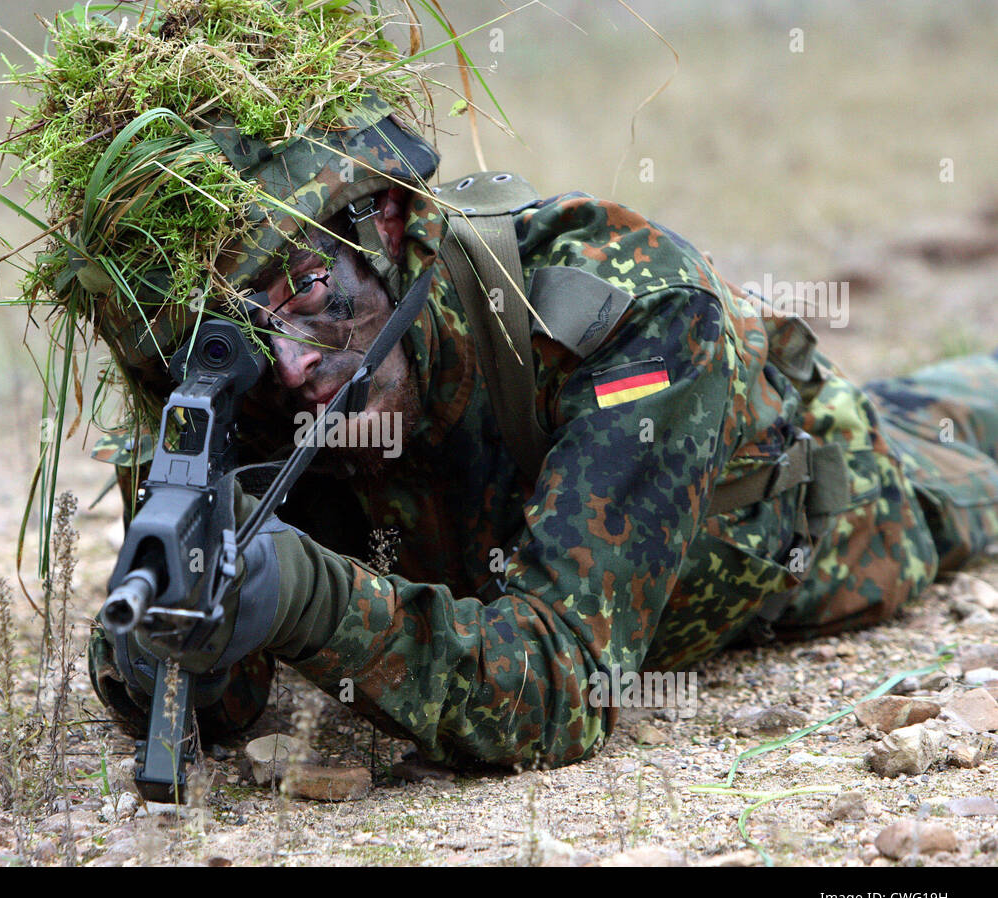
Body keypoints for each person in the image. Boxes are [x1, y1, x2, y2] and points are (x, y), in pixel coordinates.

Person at [85, 87, 998, 774]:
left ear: (388, 221)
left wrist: (305, 596)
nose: (288, 364)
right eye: (245, 328)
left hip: (845, 512)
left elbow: (562, 686)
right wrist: (164, 652)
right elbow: (214, 697)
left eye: (305, 288)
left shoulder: (619, 307)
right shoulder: (234, 397)